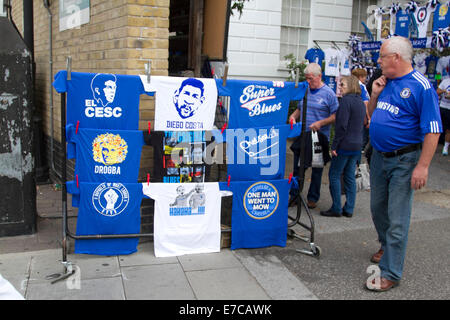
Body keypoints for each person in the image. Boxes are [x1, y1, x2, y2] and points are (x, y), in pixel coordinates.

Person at [366, 36, 442, 292]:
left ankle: (391, 272)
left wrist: (422, 166)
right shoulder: (384, 82)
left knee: (397, 218)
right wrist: (374, 95)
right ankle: (386, 246)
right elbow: (371, 117)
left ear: (396, 57)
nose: (378, 61)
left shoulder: (421, 86)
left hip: (404, 160)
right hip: (379, 157)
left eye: (382, 56)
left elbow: (433, 130)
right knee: (377, 210)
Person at [289, 63, 339, 209]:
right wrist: (293, 116)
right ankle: (295, 195)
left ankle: (313, 198)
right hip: (303, 136)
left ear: (319, 76)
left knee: (316, 170)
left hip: (319, 137)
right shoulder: (305, 91)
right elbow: (299, 108)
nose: (308, 82)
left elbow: (336, 115)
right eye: (306, 79)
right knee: (298, 168)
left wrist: (321, 123)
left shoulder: (328, 93)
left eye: (311, 79)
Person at [320, 75, 366, 218]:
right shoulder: (360, 101)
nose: (340, 87)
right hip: (357, 144)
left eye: (343, 85)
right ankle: (349, 208)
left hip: (345, 144)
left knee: (334, 174)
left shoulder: (346, 101)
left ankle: (336, 208)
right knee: (349, 176)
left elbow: (341, 126)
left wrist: (334, 145)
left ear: (351, 85)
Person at [351, 68, 371, 151]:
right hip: (361, 113)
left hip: (352, 113)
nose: (365, 79)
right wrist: (369, 117)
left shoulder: (350, 86)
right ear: (360, 77)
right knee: (363, 133)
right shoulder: (362, 86)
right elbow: (365, 102)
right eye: (364, 77)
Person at [436, 77, 450, 156]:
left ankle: (445, 148)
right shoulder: (445, 81)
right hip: (442, 107)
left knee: (448, 130)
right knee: (438, 127)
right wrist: (443, 91)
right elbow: (437, 91)